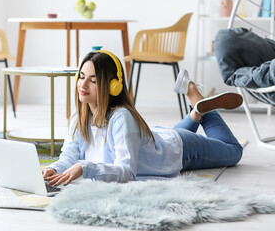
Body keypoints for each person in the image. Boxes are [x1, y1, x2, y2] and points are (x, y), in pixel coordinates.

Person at [43, 50, 243, 186]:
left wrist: (85, 167)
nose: (82, 84)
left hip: (182, 150)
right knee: (177, 131)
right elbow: (69, 157)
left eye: (93, 80)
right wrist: (54, 168)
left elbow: (127, 172)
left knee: (234, 152)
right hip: (160, 140)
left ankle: (202, 104)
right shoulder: (79, 117)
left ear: (114, 86)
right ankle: (196, 110)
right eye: (81, 76)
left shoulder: (121, 118)